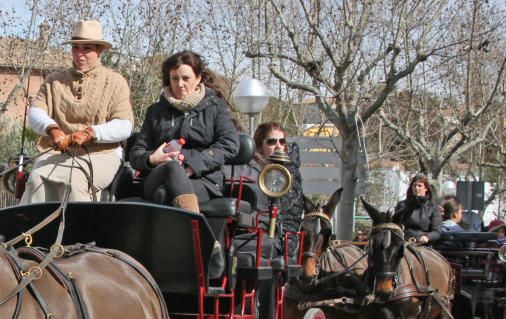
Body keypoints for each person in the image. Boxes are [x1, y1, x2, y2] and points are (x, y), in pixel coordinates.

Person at [21, 20, 133, 203]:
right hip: (58, 153)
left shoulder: (115, 81)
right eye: (75, 48)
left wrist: (91, 133)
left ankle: (80, 231)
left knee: (74, 181)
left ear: (99, 50)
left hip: (102, 153)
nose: (80, 54)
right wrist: (53, 130)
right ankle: (34, 230)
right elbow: (35, 112)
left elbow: (124, 125)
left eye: (86, 48)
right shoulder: (54, 81)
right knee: (35, 179)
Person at [128, 50, 239, 215]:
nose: (180, 84)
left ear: (198, 78)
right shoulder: (155, 111)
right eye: (175, 78)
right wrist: (152, 159)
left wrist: (192, 167)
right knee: (172, 168)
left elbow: (229, 143)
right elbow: (136, 152)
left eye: (186, 78)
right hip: (158, 176)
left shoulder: (215, 107)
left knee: (164, 195)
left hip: (202, 179)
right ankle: (197, 236)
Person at [229, 121, 305, 257]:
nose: (278, 146)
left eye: (282, 142)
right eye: (271, 142)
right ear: (259, 146)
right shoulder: (249, 168)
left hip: (280, 234)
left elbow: (284, 210)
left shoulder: (288, 173)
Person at [394, 174, 442, 243]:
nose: (416, 188)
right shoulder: (402, 205)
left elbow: (437, 231)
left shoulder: (433, 208)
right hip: (403, 241)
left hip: (423, 244)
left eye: (419, 186)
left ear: (426, 188)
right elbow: (396, 224)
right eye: (414, 185)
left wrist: (427, 236)